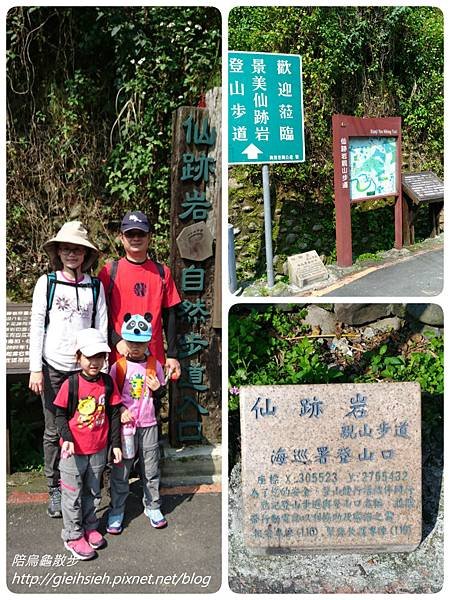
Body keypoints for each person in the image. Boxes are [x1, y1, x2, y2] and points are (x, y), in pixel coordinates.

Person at [29, 221, 108, 518]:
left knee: (87, 426)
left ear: (86, 254)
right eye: (65, 249)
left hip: (84, 371)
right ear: (58, 252)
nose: (71, 254)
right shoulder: (46, 283)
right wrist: (35, 368)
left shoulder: (94, 286)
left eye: (76, 249)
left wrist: (105, 367)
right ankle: (54, 488)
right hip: (52, 368)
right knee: (53, 430)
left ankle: (84, 484)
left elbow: (100, 326)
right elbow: (37, 326)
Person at [54, 328, 122, 560]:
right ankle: (73, 535)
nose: (95, 362)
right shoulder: (70, 384)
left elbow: (113, 414)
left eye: (99, 356)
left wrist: (115, 444)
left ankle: (90, 526)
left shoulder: (107, 382)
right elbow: (60, 415)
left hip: (99, 449)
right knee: (72, 494)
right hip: (73, 451)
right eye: (89, 356)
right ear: (78, 357)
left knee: (93, 491)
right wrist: (68, 439)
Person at [97, 210, 181, 380]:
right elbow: (99, 314)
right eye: (130, 234)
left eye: (141, 233)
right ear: (121, 237)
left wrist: (172, 354)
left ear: (149, 237)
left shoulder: (162, 272)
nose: (136, 238)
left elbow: (170, 314)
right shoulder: (109, 272)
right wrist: (116, 340)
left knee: (149, 404)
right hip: (119, 357)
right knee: (118, 404)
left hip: (152, 358)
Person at [107, 313, 167, 534]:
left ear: (148, 342)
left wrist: (158, 388)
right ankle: (117, 509)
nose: (135, 347)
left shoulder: (154, 365)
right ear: (125, 340)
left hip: (149, 423)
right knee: (121, 469)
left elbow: (161, 394)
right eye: (131, 341)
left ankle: (153, 505)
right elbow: (111, 397)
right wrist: (121, 409)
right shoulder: (118, 367)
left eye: (140, 343)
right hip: (126, 428)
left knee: (150, 467)